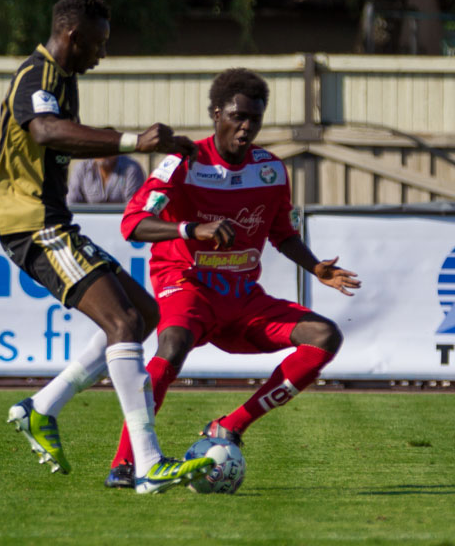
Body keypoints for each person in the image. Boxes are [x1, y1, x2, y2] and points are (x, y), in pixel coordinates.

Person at [0, 0, 212, 494]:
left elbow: (58, 133)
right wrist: (133, 140)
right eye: (98, 42)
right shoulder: (38, 74)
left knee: (143, 313)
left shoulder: (62, 79)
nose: (103, 53)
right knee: (125, 322)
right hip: (31, 223)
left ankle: (42, 408)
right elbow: (46, 132)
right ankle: (148, 463)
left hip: (51, 220)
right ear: (73, 35)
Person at [104, 68, 361, 488]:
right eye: (237, 117)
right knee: (173, 343)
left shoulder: (271, 171)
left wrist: (316, 266)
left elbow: (281, 233)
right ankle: (125, 462)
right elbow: (132, 224)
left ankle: (231, 426)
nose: (245, 128)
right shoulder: (184, 162)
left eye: (254, 120)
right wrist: (190, 229)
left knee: (325, 337)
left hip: (242, 297)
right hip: (186, 283)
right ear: (216, 113)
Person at [66, 154, 146, 204]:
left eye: (108, 147)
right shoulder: (81, 168)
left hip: (122, 222)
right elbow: (72, 202)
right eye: (99, 147)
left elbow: (134, 205)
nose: (103, 151)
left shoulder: (132, 168)